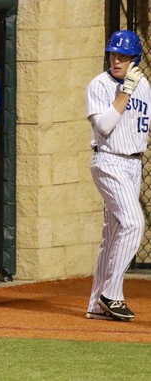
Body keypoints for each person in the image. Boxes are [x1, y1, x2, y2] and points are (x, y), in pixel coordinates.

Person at [84, 30, 149, 322]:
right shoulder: (99, 85)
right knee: (134, 223)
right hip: (109, 161)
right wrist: (125, 93)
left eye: (123, 56)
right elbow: (105, 126)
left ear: (135, 59)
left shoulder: (143, 85)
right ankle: (111, 294)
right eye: (113, 54)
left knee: (112, 236)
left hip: (134, 164)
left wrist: (133, 88)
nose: (117, 60)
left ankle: (97, 305)